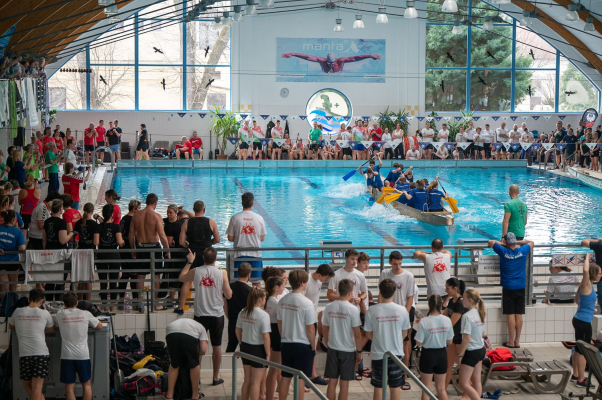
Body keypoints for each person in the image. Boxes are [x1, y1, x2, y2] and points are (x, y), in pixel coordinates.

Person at [179, 247, 232, 386]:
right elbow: (228, 295)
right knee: (217, 346)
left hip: (200, 315)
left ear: (203, 258)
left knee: (198, 347)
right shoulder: (222, 273)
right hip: (216, 315)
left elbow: (181, 277)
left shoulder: (196, 271)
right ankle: (215, 378)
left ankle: (198, 377)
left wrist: (189, 262)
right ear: (216, 259)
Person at [364, 279, 410, 400]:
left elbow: (368, 334)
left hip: (379, 354)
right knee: (395, 388)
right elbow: (405, 333)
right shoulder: (402, 310)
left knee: (378, 387)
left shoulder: (372, 310)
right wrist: (394, 340)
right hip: (396, 354)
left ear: (380, 291)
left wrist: (379, 339)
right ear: (394, 292)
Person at [277, 269, 317, 400]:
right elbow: (310, 329)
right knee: (300, 379)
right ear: (303, 283)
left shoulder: (282, 300)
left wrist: (285, 337)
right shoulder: (307, 303)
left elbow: (279, 323)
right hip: (302, 345)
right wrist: (313, 345)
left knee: (285, 376)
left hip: (286, 343)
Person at [488, 233, 533, 349]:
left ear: (506, 242)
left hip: (508, 287)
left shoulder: (503, 251)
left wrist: (504, 244)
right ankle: (517, 341)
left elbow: (491, 242)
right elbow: (531, 243)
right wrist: (516, 243)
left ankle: (511, 341)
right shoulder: (522, 251)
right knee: (519, 314)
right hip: (521, 286)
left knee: (510, 314)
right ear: (514, 241)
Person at [55, 292, 103, 400]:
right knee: (86, 385)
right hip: (83, 356)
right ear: (77, 303)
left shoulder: (60, 314)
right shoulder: (85, 314)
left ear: (64, 303)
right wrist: (86, 323)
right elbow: (99, 326)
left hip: (67, 356)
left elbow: (56, 324)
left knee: (69, 387)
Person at [9, 288, 55, 400]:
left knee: (27, 385)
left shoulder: (17, 311)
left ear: (29, 299)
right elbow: (51, 330)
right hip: (41, 354)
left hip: (25, 355)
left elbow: (11, 326)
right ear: (41, 301)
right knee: (36, 389)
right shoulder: (45, 313)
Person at [379, 251, 414, 390]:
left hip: (403, 313)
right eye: (395, 264)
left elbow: (410, 297)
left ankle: (404, 376)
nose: (397, 266)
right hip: (388, 314)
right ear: (389, 262)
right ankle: (388, 376)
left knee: (405, 346)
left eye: (400, 264)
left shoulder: (408, 276)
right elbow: (381, 294)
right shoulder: (385, 273)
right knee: (388, 345)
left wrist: (405, 314)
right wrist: (380, 310)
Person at [322, 279, 362, 400]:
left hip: (333, 348)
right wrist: (359, 351)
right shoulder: (353, 309)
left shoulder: (328, 307)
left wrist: (328, 343)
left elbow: (325, 329)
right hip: (348, 350)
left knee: (332, 382)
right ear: (351, 292)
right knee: (344, 384)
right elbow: (357, 334)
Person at [177, 200, 220, 313]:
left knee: (187, 281)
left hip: (193, 254)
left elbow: (181, 242)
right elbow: (217, 239)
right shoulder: (211, 222)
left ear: (194, 210)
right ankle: (210, 305)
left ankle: (181, 307)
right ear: (204, 210)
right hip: (207, 254)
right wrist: (209, 243)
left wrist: (189, 246)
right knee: (209, 280)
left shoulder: (186, 223)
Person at [129, 193, 170, 308]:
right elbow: (162, 236)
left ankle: (141, 301)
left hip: (141, 247)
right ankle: (156, 302)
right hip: (154, 247)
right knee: (156, 275)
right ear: (155, 203)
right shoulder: (156, 216)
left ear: (146, 202)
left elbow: (131, 235)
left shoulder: (136, 216)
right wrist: (167, 250)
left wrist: (133, 249)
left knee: (140, 276)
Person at [415, 295, 453, 400]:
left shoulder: (424, 321)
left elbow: (418, 343)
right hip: (442, 355)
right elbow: (450, 341)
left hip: (428, 355)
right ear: (441, 305)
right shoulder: (447, 320)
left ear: (429, 305)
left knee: (426, 388)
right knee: (441, 389)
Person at [236, 287, 271, 400]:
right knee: (256, 382)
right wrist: (268, 353)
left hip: (245, 347)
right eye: (265, 298)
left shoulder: (243, 311)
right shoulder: (263, 315)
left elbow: (237, 330)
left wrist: (241, 342)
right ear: (260, 299)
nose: (265, 300)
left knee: (247, 380)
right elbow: (265, 336)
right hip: (258, 349)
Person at [572, 254, 600, 387]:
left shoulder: (587, 286)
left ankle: (575, 374)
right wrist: (587, 258)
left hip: (579, 318)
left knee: (578, 348)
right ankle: (581, 380)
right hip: (583, 322)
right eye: (600, 273)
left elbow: (577, 300)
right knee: (583, 351)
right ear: (593, 273)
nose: (601, 275)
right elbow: (585, 271)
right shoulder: (586, 283)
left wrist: (590, 309)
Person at [164, 315, 209, 400]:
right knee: (194, 364)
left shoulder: (180, 322)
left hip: (170, 331)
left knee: (174, 363)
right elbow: (203, 350)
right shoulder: (202, 328)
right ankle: (195, 395)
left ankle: (170, 395)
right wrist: (193, 357)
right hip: (190, 334)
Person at [227, 192, 266, 286]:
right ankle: (255, 300)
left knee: (238, 282)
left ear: (242, 203)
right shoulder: (259, 218)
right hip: (255, 254)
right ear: (253, 203)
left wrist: (241, 236)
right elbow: (262, 238)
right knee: (256, 284)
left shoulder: (235, 218)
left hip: (239, 254)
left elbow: (230, 238)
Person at [457, 289, 486, 400]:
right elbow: (482, 333)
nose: (461, 299)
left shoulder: (467, 316)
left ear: (469, 300)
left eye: (463, 298)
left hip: (472, 352)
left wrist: (459, 355)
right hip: (480, 349)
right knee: (477, 381)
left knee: (463, 383)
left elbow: (466, 338)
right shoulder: (481, 312)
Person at [94, 204, 124, 311]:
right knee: (113, 281)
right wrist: (124, 241)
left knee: (103, 282)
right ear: (112, 214)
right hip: (114, 256)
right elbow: (120, 242)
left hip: (102, 256)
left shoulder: (98, 227)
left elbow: (96, 242)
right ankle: (112, 307)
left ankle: (105, 307)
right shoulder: (116, 227)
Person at [443, 277, 467, 388]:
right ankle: (442, 391)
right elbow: (443, 317)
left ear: (455, 288)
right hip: (453, 338)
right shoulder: (452, 301)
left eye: (447, 288)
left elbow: (450, 323)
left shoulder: (460, 303)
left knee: (464, 367)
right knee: (448, 365)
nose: (445, 290)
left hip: (461, 339)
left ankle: (467, 395)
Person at [265, 276, 285, 400]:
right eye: (283, 286)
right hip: (276, 335)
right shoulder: (275, 302)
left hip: (271, 333)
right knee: (274, 369)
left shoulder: (269, 300)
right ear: (277, 288)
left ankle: (270, 394)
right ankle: (269, 396)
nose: (284, 288)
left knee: (275, 369)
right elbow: (280, 321)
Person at [225, 262, 252, 352]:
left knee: (231, 345)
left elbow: (225, 304)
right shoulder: (249, 290)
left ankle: (227, 365)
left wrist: (228, 316)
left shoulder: (230, 287)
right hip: (245, 321)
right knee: (245, 346)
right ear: (249, 275)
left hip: (233, 319)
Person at [118, 199, 141, 302]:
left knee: (125, 274)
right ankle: (136, 298)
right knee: (134, 275)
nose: (140, 211)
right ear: (134, 209)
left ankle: (121, 297)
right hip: (131, 248)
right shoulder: (134, 220)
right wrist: (134, 249)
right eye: (139, 209)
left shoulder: (123, 218)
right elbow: (135, 235)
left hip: (123, 249)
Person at [281, 52, 381, 73]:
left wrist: (369, 56)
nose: (331, 65)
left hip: (341, 73)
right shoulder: (322, 61)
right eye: (329, 63)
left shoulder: (341, 61)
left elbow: (356, 58)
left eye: (333, 63)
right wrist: (293, 54)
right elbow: (307, 57)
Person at [0, 210, 25, 292]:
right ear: (14, 219)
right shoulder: (17, 232)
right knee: (13, 287)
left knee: (4, 287)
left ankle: (4, 303)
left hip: (1, 261)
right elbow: (22, 248)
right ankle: (12, 303)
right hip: (13, 261)